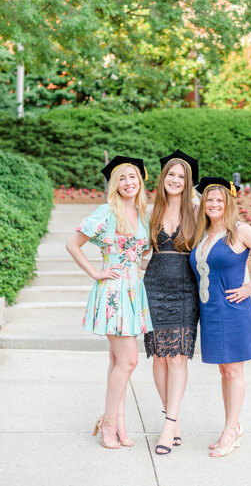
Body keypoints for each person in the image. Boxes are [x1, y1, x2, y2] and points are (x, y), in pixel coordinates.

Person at [189, 176, 251, 458]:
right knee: (223, 371)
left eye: (220, 200)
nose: (214, 204)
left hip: (234, 310)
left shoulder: (239, 231)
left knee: (234, 371)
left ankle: (230, 429)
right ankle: (234, 425)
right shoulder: (202, 234)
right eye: (209, 200)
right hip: (211, 312)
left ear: (228, 204)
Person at [66, 155, 153, 449]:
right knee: (129, 361)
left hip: (133, 290)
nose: (129, 182)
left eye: (133, 177)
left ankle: (120, 423)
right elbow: (72, 244)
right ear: (115, 185)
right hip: (113, 292)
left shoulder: (143, 214)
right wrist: (95, 272)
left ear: (140, 180)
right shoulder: (106, 212)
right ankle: (108, 421)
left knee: (118, 362)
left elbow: (141, 254)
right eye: (123, 178)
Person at [143, 149, 200, 455]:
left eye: (181, 176)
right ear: (163, 178)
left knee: (178, 356)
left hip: (185, 290)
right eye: (170, 174)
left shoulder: (196, 209)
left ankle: (169, 423)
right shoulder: (149, 211)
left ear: (187, 181)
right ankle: (172, 419)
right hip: (153, 287)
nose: (175, 179)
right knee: (161, 357)